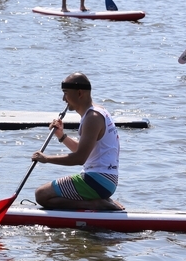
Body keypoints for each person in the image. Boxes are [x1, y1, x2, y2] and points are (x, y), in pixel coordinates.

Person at [32, 72, 123, 211]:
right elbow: (82, 150)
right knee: (47, 194)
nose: (63, 99)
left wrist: (46, 159)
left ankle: (95, 204)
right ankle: (99, 199)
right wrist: (61, 135)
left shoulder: (92, 117)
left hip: (96, 180)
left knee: (41, 195)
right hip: (106, 181)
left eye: (66, 93)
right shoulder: (97, 111)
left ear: (80, 93)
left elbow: (80, 158)